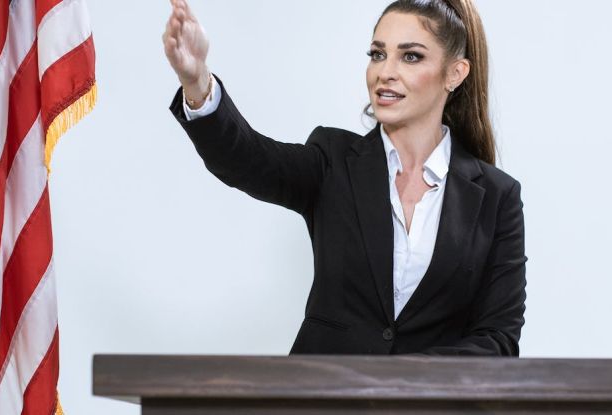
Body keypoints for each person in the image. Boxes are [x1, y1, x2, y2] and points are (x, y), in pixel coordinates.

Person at [162, 0, 526, 356]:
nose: (385, 71)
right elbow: (246, 159)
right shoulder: (333, 160)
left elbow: (498, 338)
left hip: (427, 405)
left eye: (411, 56)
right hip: (320, 400)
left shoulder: (497, 196)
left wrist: (408, 379)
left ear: (455, 73)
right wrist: (197, 81)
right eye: (378, 54)